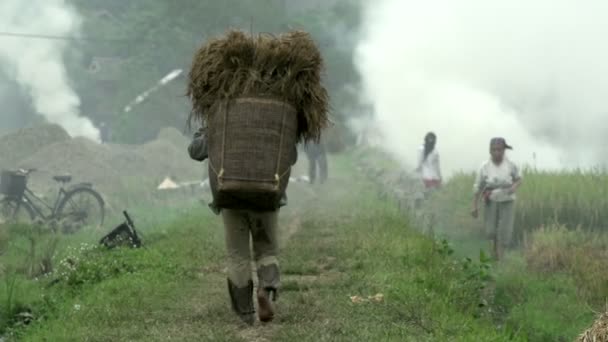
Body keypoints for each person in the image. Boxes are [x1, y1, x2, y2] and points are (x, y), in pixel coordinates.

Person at [188, 126, 294, 325]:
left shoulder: (221, 115)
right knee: (266, 250)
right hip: (265, 194)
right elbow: (291, 156)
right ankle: (265, 289)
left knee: (238, 255)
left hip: (231, 195)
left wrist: (213, 131)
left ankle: (246, 313)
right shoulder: (274, 115)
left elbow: (195, 151)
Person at [471, 137, 522, 261]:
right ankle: (494, 250)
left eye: (499, 150)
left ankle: (501, 258)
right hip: (491, 199)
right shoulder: (485, 167)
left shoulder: (511, 164)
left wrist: (514, 187)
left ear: (504, 150)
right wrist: (474, 206)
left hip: (507, 199)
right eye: (494, 150)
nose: (497, 153)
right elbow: (478, 187)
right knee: (490, 231)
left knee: (504, 231)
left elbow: (519, 178)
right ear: (490, 151)